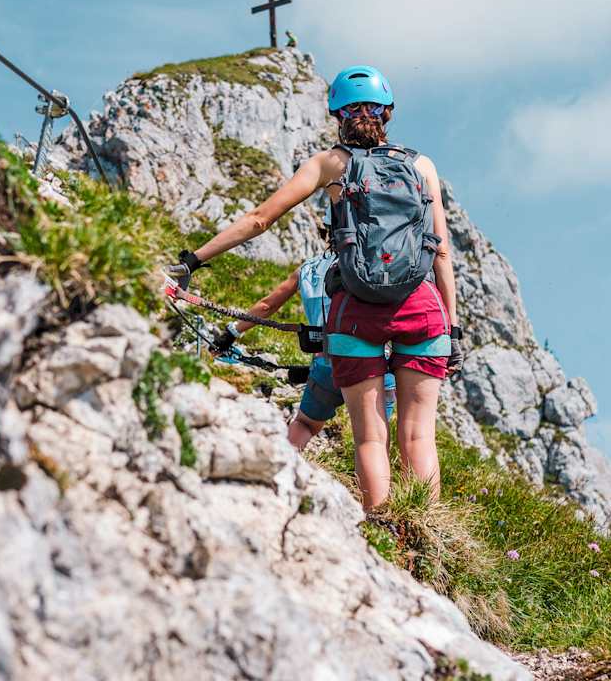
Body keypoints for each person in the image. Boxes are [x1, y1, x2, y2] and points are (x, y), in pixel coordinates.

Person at [166, 66, 463, 509]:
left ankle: (385, 531)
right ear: (388, 113)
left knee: (369, 439)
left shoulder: (331, 164)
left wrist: (192, 261)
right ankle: (429, 539)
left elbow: (260, 220)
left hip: (355, 311)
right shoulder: (421, 166)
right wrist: (453, 328)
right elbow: (440, 253)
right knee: (418, 435)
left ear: (337, 115)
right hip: (421, 307)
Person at [209, 242, 396, 451]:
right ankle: (374, 482)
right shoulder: (369, 262)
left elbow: (266, 306)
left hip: (326, 363)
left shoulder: (308, 269)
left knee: (305, 424)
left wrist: (232, 333)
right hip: (373, 364)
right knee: (373, 439)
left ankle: (285, 466)